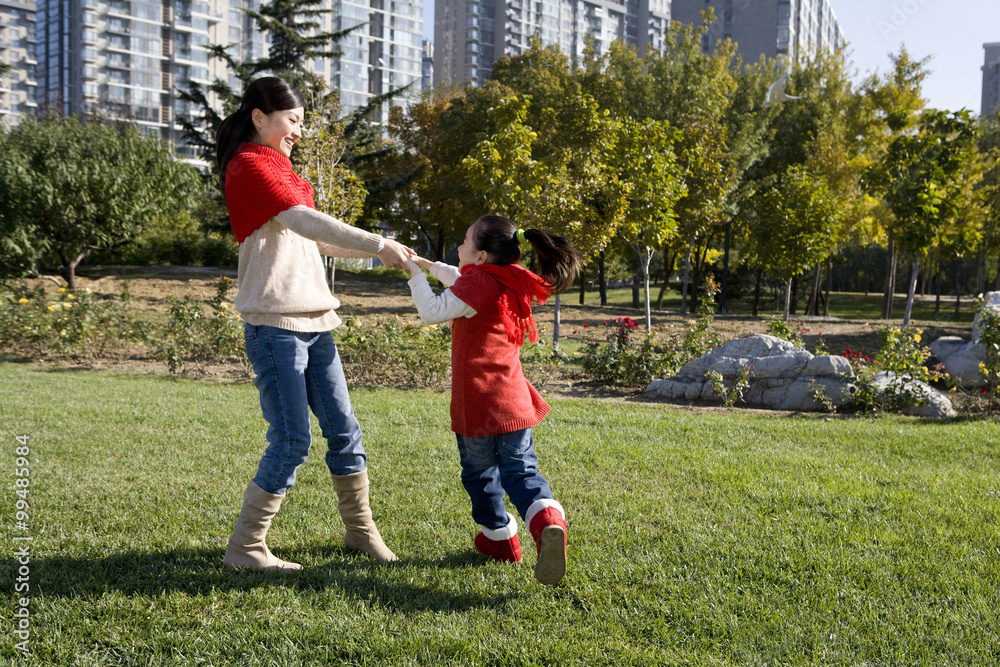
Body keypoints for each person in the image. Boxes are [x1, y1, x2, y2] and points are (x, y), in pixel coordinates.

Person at [217, 76, 411, 571]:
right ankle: (246, 547)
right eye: (293, 120)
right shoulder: (248, 166)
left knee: (345, 429)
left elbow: (314, 240)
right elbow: (303, 221)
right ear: (260, 117)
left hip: (317, 320)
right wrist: (376, 241)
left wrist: (387, 254)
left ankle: (361, 534)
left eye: (303, 122)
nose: (299, 131)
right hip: (275, 324)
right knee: (291, 439)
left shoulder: (283, 172)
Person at [404, 215, 580, 585]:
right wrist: (427, 264)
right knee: (521, 472)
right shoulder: (504, 277)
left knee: (480, 474)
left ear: (481, 255)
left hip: (479, 406)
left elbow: (431, 311)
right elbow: (459, 278)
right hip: (514, 404)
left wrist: (413, 275)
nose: (458, 246)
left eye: (465, 241)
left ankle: (499, 539)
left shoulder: (480, 283)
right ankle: (548, 520)